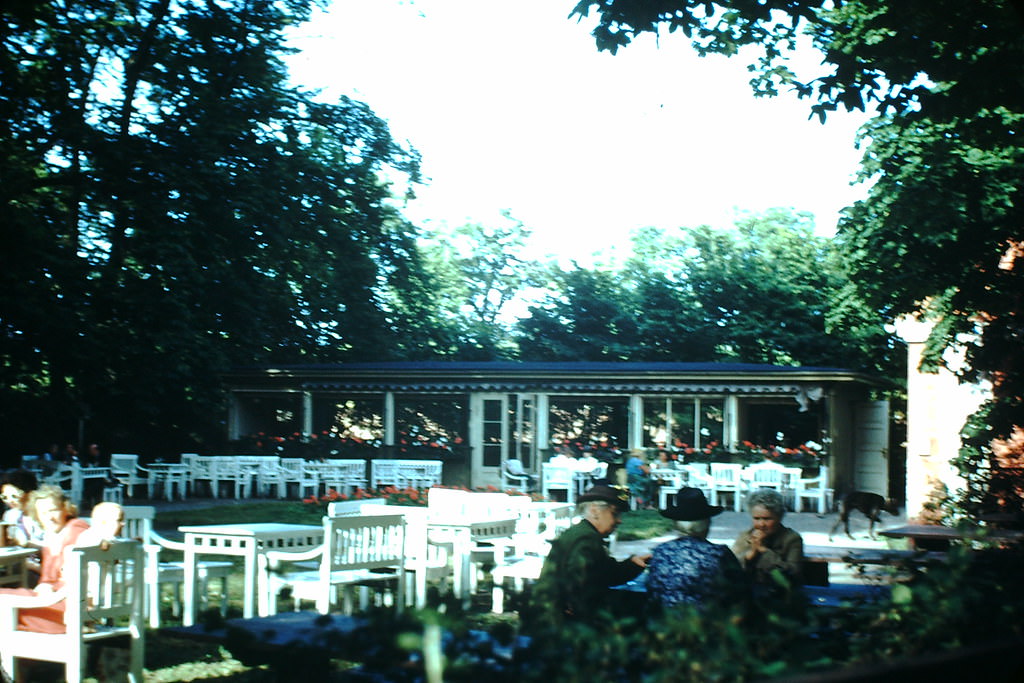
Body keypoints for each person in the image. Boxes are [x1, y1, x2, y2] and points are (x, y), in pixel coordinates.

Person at [532, 484, 651, 624]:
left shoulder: (584, 533)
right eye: (615, 513)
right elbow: (579, 585)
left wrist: (633, 564)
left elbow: (605, 572)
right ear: (595, 510)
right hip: (558, 621)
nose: (619, 520)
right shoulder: (586, 538)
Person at [0, 485, 90, 633]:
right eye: (43, 513)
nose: (49, 517)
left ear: (66, 509)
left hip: (65, 612)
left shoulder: (77, 530)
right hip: (52, 603)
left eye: (53, 510)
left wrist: (49, 588)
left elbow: (71, 577)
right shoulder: (54, 535)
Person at [647, 488, 746, 609]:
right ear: (706, 524)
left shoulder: (660, 551)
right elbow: (740, 589)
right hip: (704, 623)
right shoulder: (718, 553)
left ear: (677, 523)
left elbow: (652, 589)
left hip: (663, 620)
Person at [731, 488, 804, 590]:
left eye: (767, 519)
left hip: (779, 594)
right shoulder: (745, 536)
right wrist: (750, 554)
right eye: (756, 518)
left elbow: (793, 572)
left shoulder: (791, 539)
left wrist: (763, 550)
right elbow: (730, 569)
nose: (761, 524)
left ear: (779, 517)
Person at [1, 469, 45, 548]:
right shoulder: (10, 515)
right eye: (5, 497)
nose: (10, 501)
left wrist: (27, 544)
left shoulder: (44, 513)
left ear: (29, 491)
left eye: (14, 496)